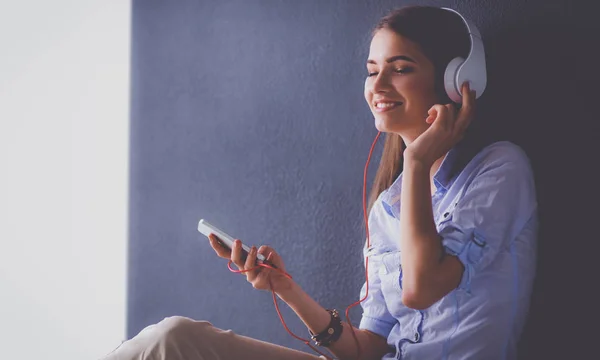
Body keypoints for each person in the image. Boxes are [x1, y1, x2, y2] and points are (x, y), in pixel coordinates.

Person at [102, 5, 537, 360]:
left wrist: (418, 159)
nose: (378, 85)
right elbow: (365, 349)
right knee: (173, 339)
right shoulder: (389, 206)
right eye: (372, 70)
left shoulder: (499, 170)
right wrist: (284, 287)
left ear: (457, 82)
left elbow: (421, 288)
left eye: (399, 68)